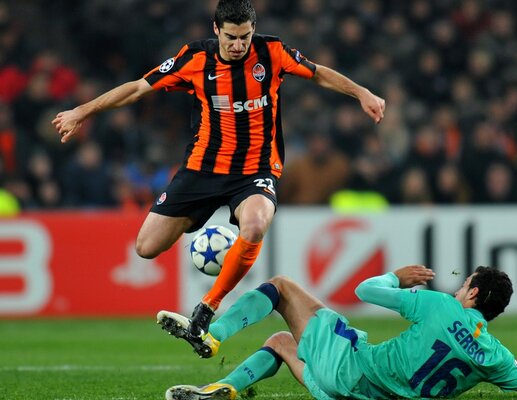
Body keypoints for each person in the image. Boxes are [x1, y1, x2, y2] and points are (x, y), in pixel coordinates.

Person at [52, 0, 385, 349]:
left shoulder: (271, 52)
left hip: (255, 169)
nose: (239, 45)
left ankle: (206, 308)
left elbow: (318, 73)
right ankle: (211, 232)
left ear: (253, 30)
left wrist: (361, 92)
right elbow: (137, 88)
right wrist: (82, 111)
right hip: (202, 169)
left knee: (256, 224)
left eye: (245, 37)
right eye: (231, 37)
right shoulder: (195, 59)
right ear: (216, 30)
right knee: (146, 247)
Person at [160, 265, 517, 400]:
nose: (458, 288)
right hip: (356, 397)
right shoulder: (495, 357)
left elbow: (365, 290)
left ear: (473, 292)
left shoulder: (441, 307)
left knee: (283, 288)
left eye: (465, 283)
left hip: (352, 370)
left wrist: (397, 276)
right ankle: (222, 389)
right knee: (280, 344)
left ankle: (211, 335)